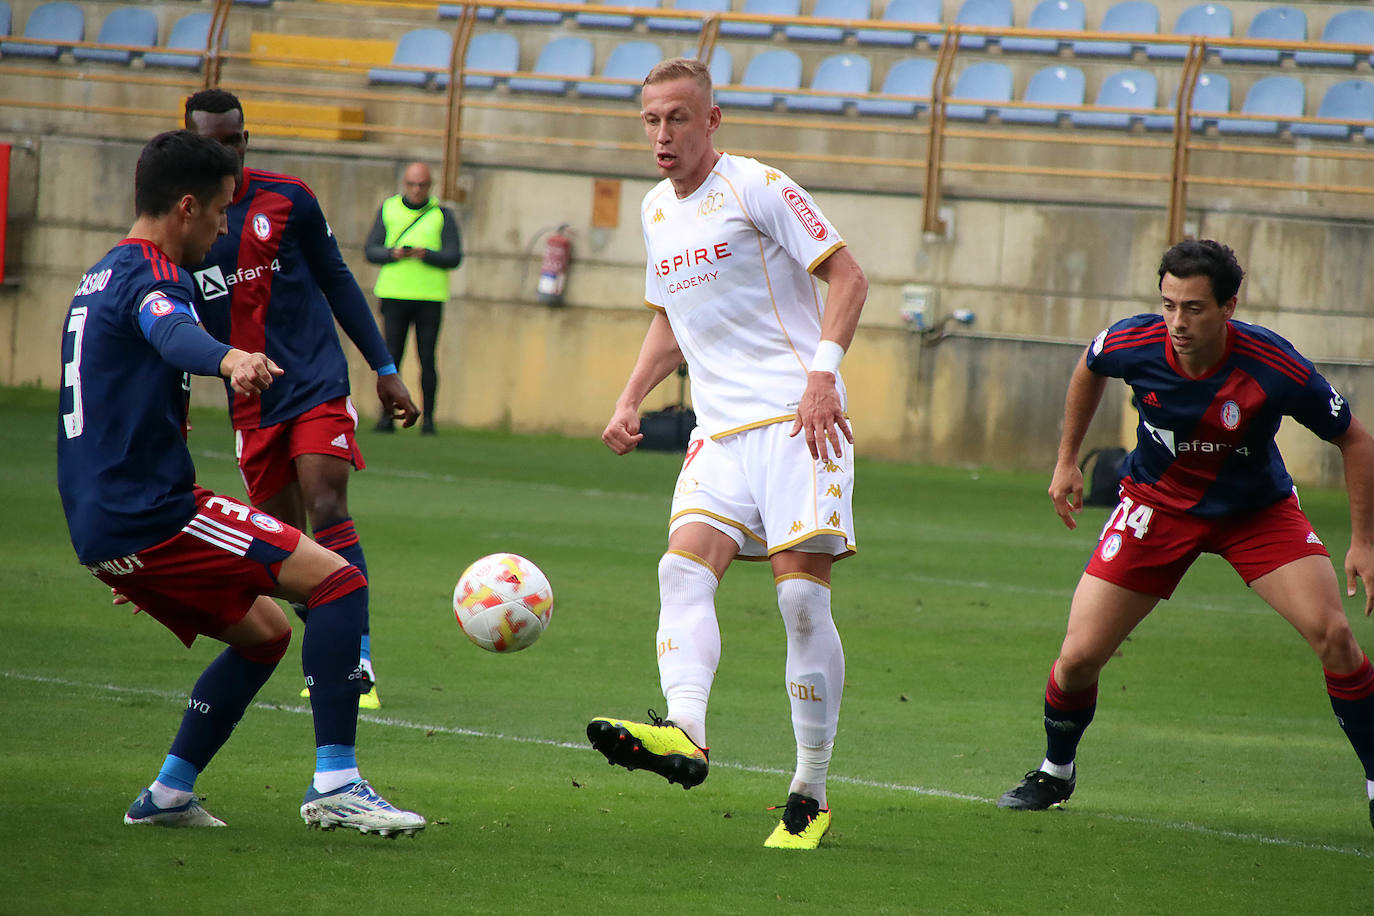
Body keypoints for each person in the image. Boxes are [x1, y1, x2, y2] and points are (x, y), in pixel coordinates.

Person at [56, 129, 424, 835]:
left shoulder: (97, 274)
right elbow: (171, 334)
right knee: (338, 581)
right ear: (187, 207)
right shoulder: (154, 276)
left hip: (104, 522)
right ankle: (337, 781)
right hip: (151, 512)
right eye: (221, 212)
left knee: (265, 633)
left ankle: (167, 794)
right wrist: (227, 359)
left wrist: (125, 548)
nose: (226, 228)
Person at [585, 58, 868, 851]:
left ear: (713, 119)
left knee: (801, 602)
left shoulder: (759, 187)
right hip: (719, 433)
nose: (663, 134)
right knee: (680, 570)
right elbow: (671, 318)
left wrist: (823, 379)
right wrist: (629, 397)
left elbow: (849, 279)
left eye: (679, 118)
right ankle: (684, 731)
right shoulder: (654, 212)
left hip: (796, 421)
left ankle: (809, 791)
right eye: (651, 120)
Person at [997, 239, 1374, 831]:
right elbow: (1089, 366)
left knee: (1334, 636)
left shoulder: (1273, 364)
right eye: (1169, 304)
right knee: (1076, 660)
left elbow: (1355, 438)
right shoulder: (1134, 342)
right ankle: (1055, 770)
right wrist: (1067, 459)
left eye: (1194, 308)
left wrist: (1365, 541)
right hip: (1156, 507)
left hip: (1256, 513)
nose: (1177, 321)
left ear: (1228, 307)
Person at [184, 89, 419, 710]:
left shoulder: (288, 198)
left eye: (234, 140)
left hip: (316, 381)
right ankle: (331, 648)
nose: (227, 153)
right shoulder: (179, 221)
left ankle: (357, 652)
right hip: (251, 402)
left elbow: (337, 278)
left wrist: (385, 367)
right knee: (286, 542)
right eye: (212, 143)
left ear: (245, 139)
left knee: (326, 500)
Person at [364, 161, 463, 435]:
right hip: (394, 294)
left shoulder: (442, 214)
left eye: (422, 185)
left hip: (429, 297)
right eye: (412, 184)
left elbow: (454, 256)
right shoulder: (388, 208)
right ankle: (387, 417)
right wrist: (392, 253)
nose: (417, 190)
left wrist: (427, 254)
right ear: (404, 184)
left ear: (430, 186)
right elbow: (371, 250)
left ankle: (429, 420)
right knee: (390, 360)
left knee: (427, 359)